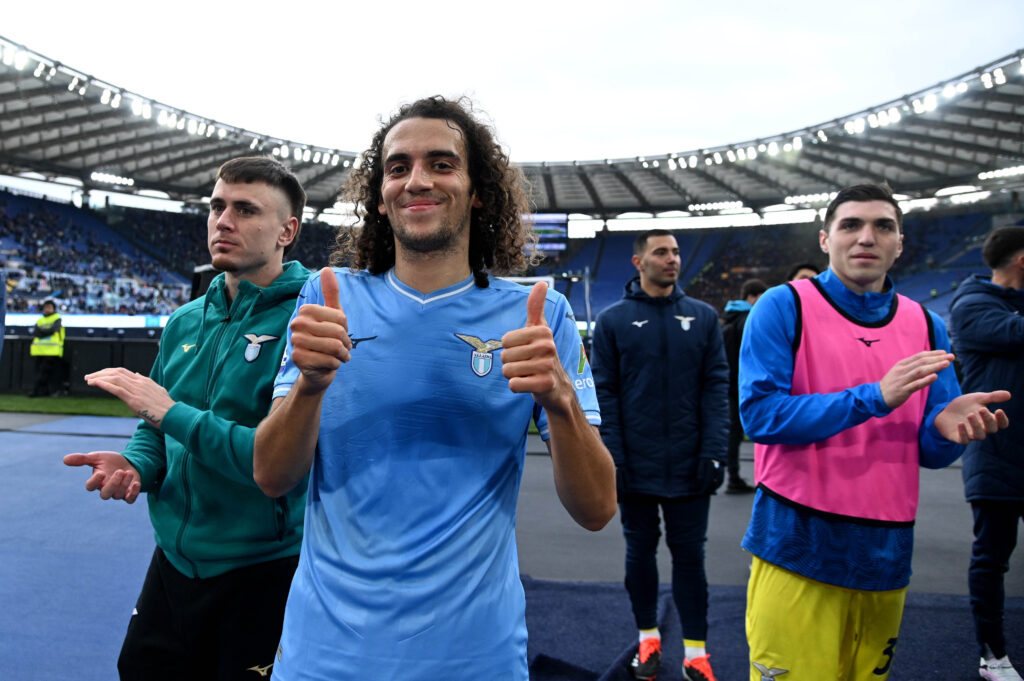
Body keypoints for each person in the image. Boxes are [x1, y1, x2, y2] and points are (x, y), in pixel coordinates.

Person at [252, 96, 616, 681]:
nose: (417, 180)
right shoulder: (326, 298)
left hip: (476, 660)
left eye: (441, 164)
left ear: (477, 191)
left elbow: (597, 510)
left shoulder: (539, 314)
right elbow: (271, 476)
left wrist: (561, 403)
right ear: (380, 195)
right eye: (398, 167)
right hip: (325, 658)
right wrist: (310, 389)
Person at [738, 183, 1011, 681]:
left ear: (900, 243)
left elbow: (927, 451)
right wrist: (873, 397)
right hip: (796, 544)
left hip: (886, 555)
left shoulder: (927, 324)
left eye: (883, 226)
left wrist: (947, 430)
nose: (867, 237)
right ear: (825, 239)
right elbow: (761, 417)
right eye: (851, 225)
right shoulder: (783, 306)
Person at [62, 156, 310, 681]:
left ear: (288, 231)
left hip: (262, 572)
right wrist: (135, 465)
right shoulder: (184, 321)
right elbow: (154, 429)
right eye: (217, 206)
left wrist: (170, 413)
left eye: (245, 210)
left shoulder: (307, 321)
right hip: (172, 566)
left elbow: (273, 463)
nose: (223, 221)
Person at [590, 228, 729, 681]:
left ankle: (696, 652)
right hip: (636, 464)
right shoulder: (613, 321)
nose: (672, 259)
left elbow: (716, 388)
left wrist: (714, 451)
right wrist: (615, 458)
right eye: (661, 252)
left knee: (691, 558)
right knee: (640, 553)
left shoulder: (703, 318)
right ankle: (648, 638)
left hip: (692, 465)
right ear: (638, 262)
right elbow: (603, 393)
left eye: (675, 252)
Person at [949, 226, 1024, 681]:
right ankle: (992, 654)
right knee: (993, 557)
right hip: (995, 451)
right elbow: (1016, 333)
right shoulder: (972, 305)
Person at [721, 278, 767, 494]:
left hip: (728, 385)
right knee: (757, 430)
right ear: (752, 297)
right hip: (743, 385)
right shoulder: (749, 319)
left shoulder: (729, 319)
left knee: (733, 434)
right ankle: (749, 477)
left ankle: (733, 475)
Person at [29, 298, 67, 396]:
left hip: (52, 351)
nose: (47, 309)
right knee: (41, 373)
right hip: (39, 351)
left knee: (47, 373)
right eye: (46, 307)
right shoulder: (40, 320)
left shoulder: (57, 318)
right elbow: (36, 332)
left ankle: (36, 392)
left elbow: (53, 330)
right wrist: (47, 331)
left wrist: (43, 332)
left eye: (49, 307)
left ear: (54, 308)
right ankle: (44, 392)